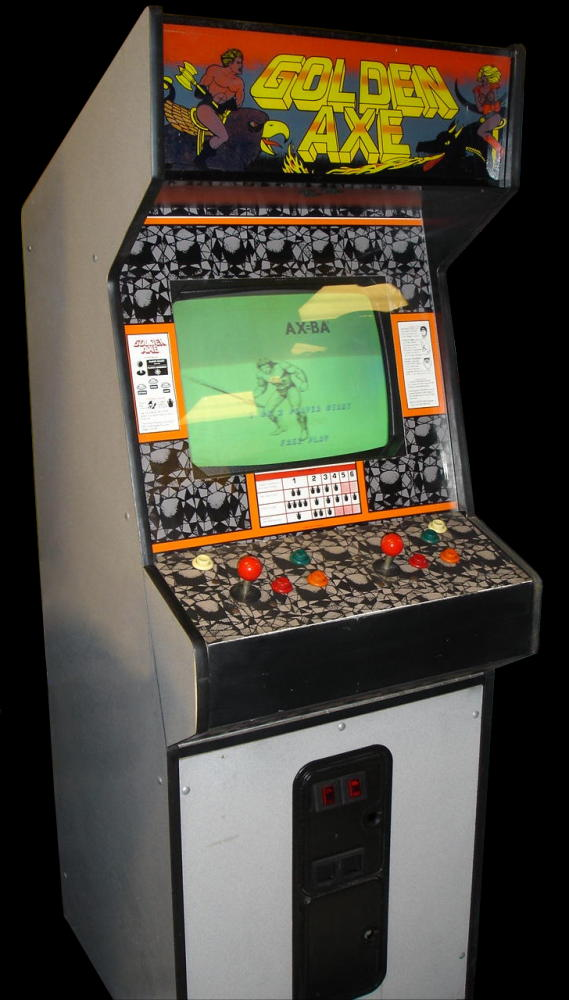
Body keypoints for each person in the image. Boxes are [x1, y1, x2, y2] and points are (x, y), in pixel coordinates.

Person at [195, 48, 245, 159]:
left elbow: (238, 104)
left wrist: (227, 105)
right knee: (223, 136)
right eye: (238, 62)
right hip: (205, 108)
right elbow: (198, 92)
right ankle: (199, 159)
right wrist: (206, 95)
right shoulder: (214, 71)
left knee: (224, 137)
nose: (241, 66)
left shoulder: (239, 83)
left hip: (219, 115)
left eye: (241, 63)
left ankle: (205, 153)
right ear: (230, 62)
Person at [254, 358, 309, 439]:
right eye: (262, 368)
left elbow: (297, 371)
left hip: (290, 388)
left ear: (271, 365)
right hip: (279, 391)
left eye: (267, 367)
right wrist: (254, 395)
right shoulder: (261, 375)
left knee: (296, 409)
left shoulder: (281, 365)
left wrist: (304, 382)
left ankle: (304, 429)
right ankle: (281, 427)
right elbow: (261, 387)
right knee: (267, 411)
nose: (265, 370)